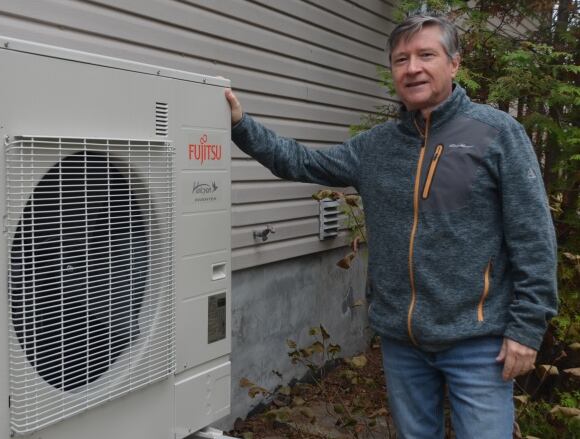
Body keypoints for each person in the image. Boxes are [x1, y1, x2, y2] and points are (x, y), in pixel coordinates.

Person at [225, 14, 557, 439]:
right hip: (403, 343)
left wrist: (526, 330)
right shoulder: (376, 146)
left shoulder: (496, 134)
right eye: (401, 59)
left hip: (479, 342)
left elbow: (533, 237)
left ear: (454, 64)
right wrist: (240, 125)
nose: (412, 67)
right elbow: (301, 161)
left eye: (426, 55)